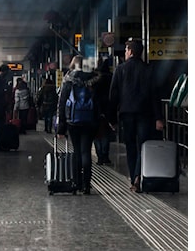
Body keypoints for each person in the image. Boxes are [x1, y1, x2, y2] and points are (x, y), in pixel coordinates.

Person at [108, 38, 164, 193]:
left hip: (126, 114)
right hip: (145, 114)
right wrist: (159, 117)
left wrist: (112, 119)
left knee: (130, 146)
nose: (125, 53)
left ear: (130, 51)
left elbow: (113, 96)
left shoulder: (120, 69)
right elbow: (155, 95)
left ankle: (133, 178)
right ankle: (139, 175)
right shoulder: (149, 70)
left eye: (126, 50)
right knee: (143, 146)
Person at [57, 55, 101, 195]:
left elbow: (62, 104)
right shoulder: (94, 79)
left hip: (73, 121)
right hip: (90, 120)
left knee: (76, 152)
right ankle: (87, 185)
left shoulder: (68, 79)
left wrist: (61, 128)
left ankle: (77, 182)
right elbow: (99, 103)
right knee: (86, 151)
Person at [93, 58, 113, 165]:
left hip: (95, 110)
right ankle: (105, 156)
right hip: (108, 109)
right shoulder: (111, 78)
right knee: (105, 134)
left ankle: (100, 156)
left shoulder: (94, 79)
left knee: (96, 135)